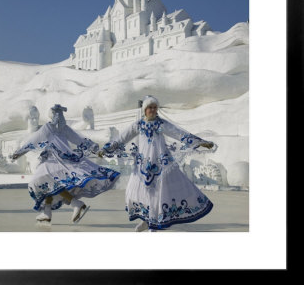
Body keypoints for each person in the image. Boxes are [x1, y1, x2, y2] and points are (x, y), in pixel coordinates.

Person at [98, 95, 217, 232]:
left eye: (155, 107)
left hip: (161, 165)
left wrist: (200, 142)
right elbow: (122, 138)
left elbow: (179, 133)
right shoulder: (138, 125)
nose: (153, 110)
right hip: (142, 166)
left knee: (158, 193)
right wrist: (106, 149)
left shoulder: (161, 124)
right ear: (145, 110)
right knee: (139, 193)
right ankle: (146, 220)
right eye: (150, 108)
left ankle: (154, 223)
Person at [11, 104, 120, 224]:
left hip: (54, 161)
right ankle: (48, 211)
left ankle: (73, 204)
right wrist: (95, 148)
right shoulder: (63, 128)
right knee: (49, 184)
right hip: (61, 161)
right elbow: (80, 140)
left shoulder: (49, 127)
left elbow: (33, 141)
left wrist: (18, 153)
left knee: (41, 182)